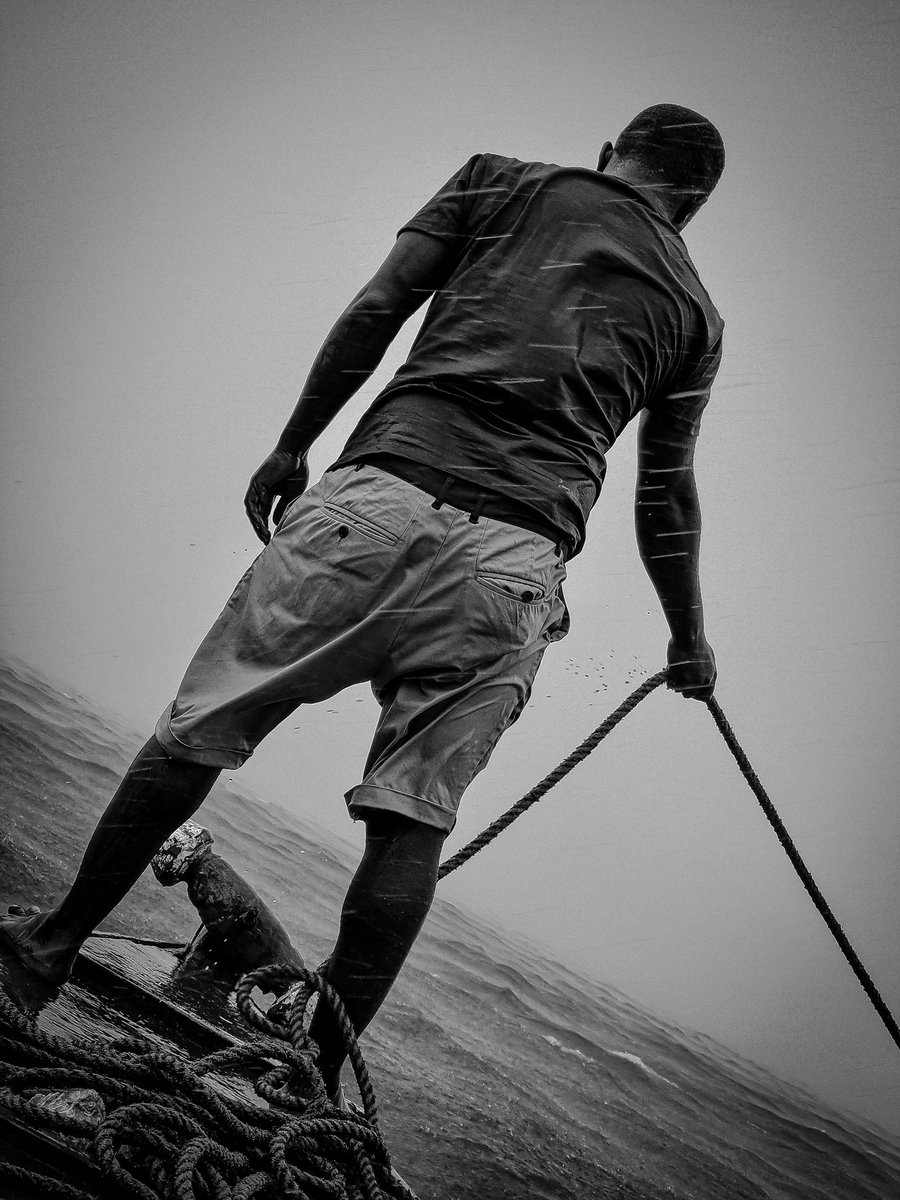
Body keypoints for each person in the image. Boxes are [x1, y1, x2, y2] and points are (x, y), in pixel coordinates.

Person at [1, 103, 724, 1103]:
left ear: (613, 156)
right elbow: (663, 492)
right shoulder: (696, 315)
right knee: (410, 831)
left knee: (195, 736)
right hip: (514, 568)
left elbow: (380, 306)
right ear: (688, 208)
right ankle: (304, 1083)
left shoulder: (501, 180)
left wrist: (295, 440)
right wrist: (690, 640)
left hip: (380, 499)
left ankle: (44, 952)